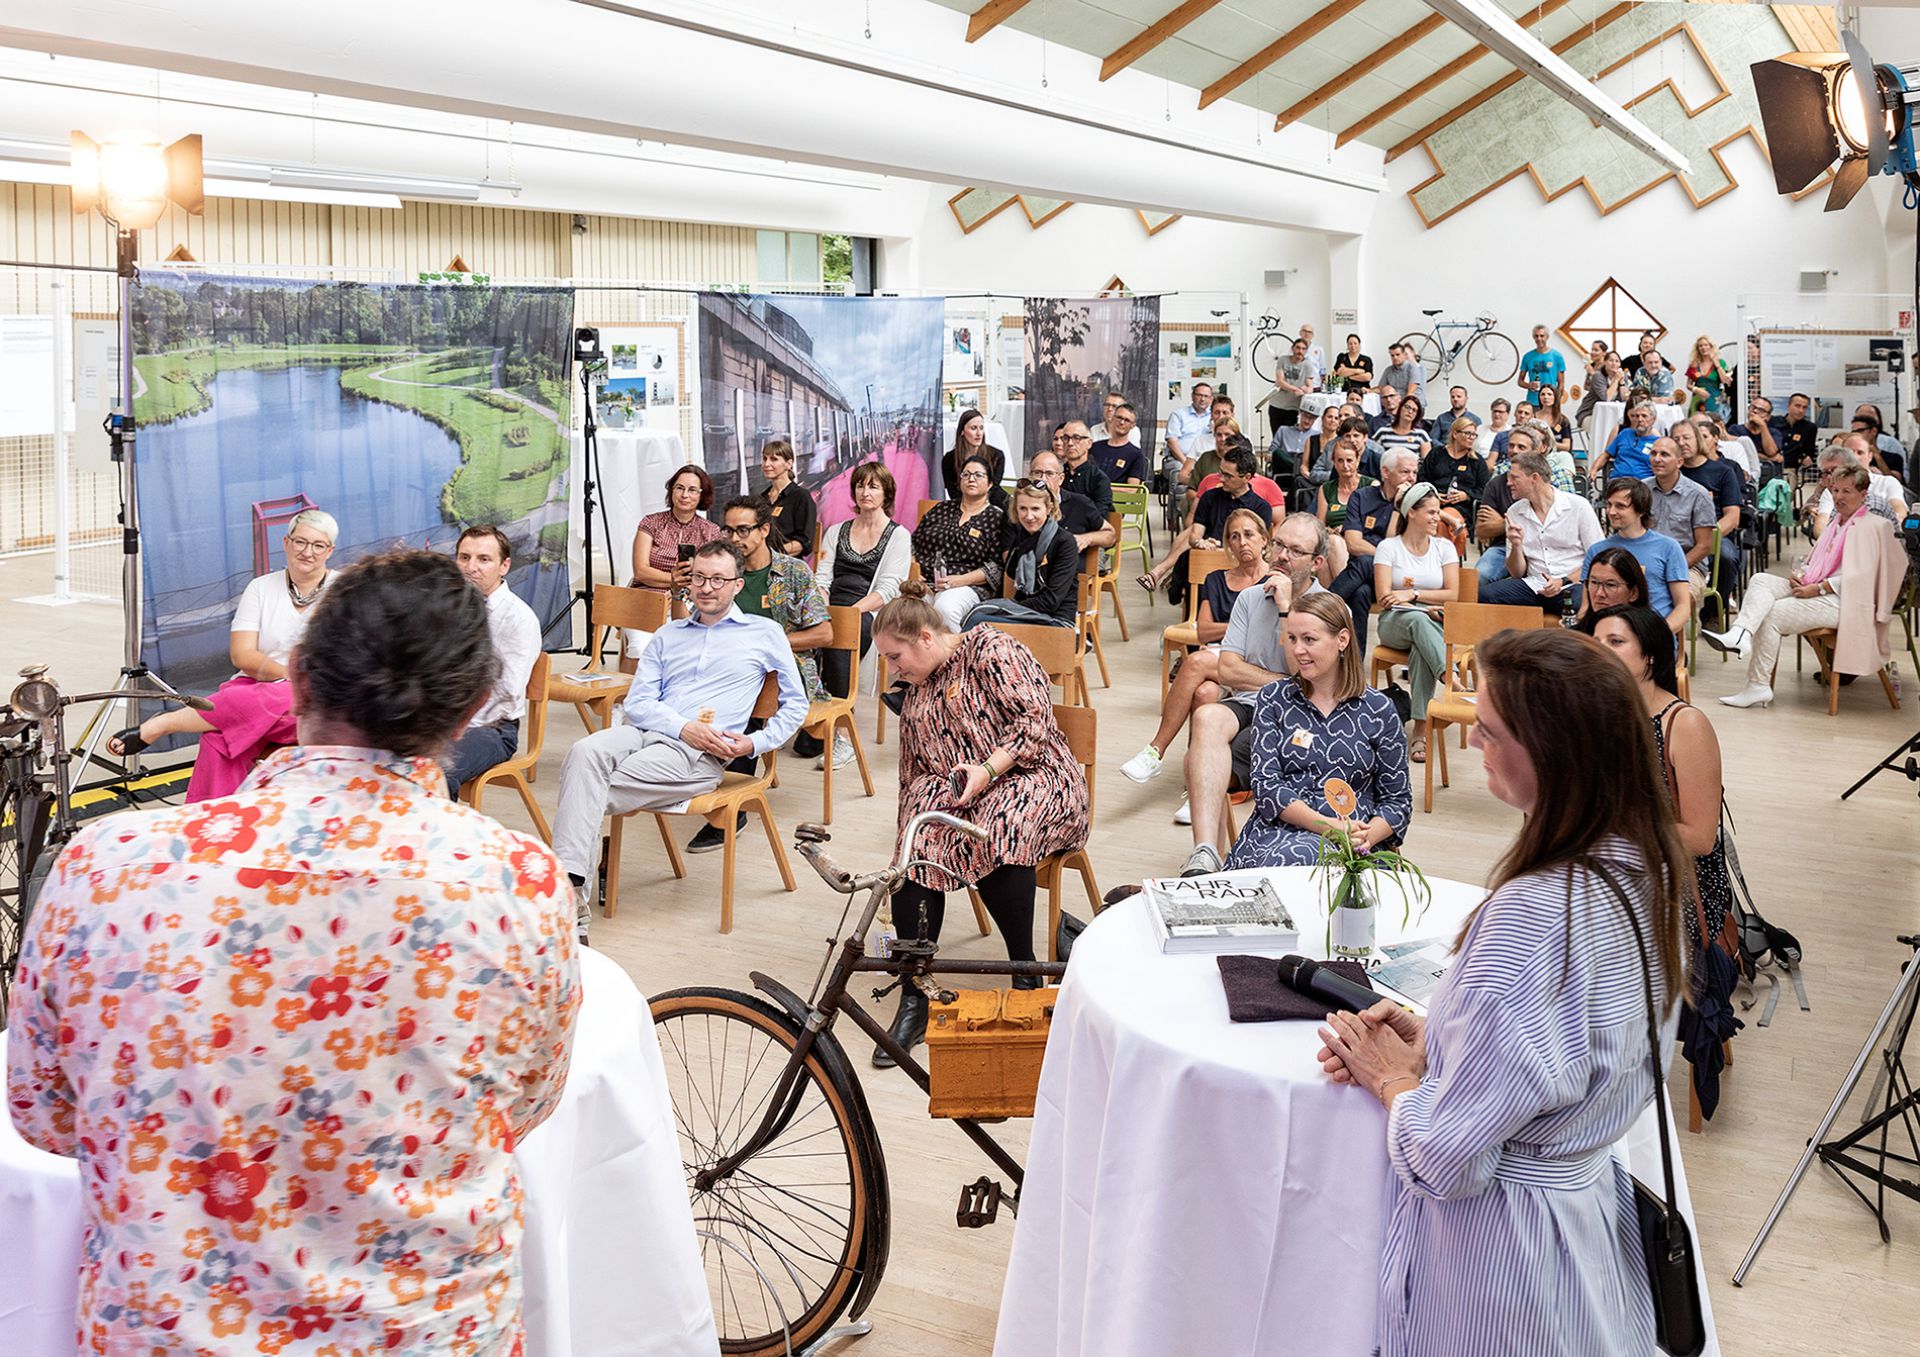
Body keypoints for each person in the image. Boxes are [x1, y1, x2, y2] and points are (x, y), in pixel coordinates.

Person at [11, 549, 581, 1355]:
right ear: (473, 711)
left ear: (299, 679)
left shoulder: (107, 866)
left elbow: (45, 1113)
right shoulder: (520, 884)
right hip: (428, 1333)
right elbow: (524, 1105)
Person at [1316, 626, 1691, 1357]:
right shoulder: (1645, 864)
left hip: (1501, 1256)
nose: (1474, 744)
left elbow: (1448, 1156)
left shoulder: (1535, 912)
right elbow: (1574, 1046)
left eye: (1488, 732)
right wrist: (1447, 1042)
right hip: (1579, 1218)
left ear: (1547, 750)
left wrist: (1395, 1078)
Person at [871, 583, 1090, 1064]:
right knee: (918, 839)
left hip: (1035, 775)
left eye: (895, 656)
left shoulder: (990, 647)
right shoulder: (915, 693)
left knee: (999, 823)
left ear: (926, 638)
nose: (892, 669)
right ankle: (916, 990)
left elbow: (1035, 720)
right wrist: (908, 838)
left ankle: (1024, 967)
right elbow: (912, 778)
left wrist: (988, 770)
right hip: (961, 791)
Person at [553, 539, 808, 935]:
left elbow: (796, 705)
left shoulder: (765, 632)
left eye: (718, 580)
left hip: (698, 756)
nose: (706, 587)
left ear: (737, 585)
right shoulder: (668, 634)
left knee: (581, 789)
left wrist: (754, 744)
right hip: (643, 733)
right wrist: (682, 724)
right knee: (583, 752)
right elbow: (638, 703)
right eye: (699, 578)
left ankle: (567, 907)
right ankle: (570, 907)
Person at [1591, 602, 1740, 1118]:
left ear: (1650, 657)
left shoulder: (1684, 723)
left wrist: (1616, 832)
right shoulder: (1604, 719)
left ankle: (1607, 1070)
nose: (1602, 652)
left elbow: (1699, 838)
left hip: (1680, 879)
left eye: (1616, 643)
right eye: (1598, 642)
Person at [108, 508, 340, 801]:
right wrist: (286, 676)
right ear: (286, 542)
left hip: (315, 699)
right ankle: (206, 829)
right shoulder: (260, 588)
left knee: (265, 704)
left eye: (318, 545)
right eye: (300, 542)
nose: (307, 552)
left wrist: (297, 682)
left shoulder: (343, 591)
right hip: (257, 687)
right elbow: (243, 656)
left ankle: (163, 725)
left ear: (330, 551)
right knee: (218, 740)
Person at [1179, 512, 1329, 877]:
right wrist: (1282, 679)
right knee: (1206, 716)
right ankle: (1204, 854)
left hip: (1302, 717)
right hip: (1250, 704)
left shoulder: (1327, 607)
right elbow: (1229, 669)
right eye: (1279, 544)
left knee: (1196, 763)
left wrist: (1285, 610)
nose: (1281, 555)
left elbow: (1307, 684)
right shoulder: (1248, 598)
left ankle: (1219, 852)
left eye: (1295, 551)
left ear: (1317, 563)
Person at [1226, 592, 1410, 869]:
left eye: (1308, 639)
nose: (1297, 650)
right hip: (1279, 833)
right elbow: (1267, 788)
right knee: (1299, 858)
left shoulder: (1378, 709)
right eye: (1292, 639)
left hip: (1358, 841)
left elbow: (1397, 800)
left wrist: (1366, 836)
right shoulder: (1274, 699)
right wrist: (1332, 828)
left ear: (1342, 640)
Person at [1705, 464, 1905, 707]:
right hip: (1820, 589)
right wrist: (1801, 576)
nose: (1839, 497)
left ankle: (1757, 685)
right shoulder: (1836, 523)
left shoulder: (1874, 525)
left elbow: (1866, 575)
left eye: (1847, 491)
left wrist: (1819, 588)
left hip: (1848, 601)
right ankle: (1740, 633)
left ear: (1864, 495)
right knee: (1760, 580)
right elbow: (1817, 561)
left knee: (1773, 614)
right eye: (1836, 491)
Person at [1120, 508, 1273, 785]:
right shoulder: (1216, 579)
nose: (1242, 542)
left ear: (1264, 539)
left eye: (1249, 535)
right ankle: (1197, 779)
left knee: (1195, 662)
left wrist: (1231, 630)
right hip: (1218, 656)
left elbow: (1270, 635)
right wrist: (1242, 628)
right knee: (1204, 692)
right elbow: (1203, 631)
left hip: (1253, 661)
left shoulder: (1274, 584)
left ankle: (1156, 750)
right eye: (1234, 537)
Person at [814, 461, 910, 770]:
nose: (865, 492)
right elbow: (822, 579)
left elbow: (890, 587)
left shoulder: (898, 535)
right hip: (832, 606)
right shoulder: (836, 531)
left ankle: (842, 732)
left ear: (886, 493)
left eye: (873, 486)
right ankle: (815, 717)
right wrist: (827, 608)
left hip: (873, 610)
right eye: (860, 485)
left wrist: (851, 612)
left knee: (846, 632)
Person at [442, 524, 542, 800]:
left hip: (491, 728)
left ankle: (440, 842)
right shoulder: (444, 608)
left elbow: (506, 692)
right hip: (442, 721)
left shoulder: (519, 620)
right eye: (464, 557)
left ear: (504, 566)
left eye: (483, 559)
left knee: (435, 773)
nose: (470, 567)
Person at [1372, 482, 1461, 765]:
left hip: (1432, 618)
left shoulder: (1444, 547)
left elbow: (1453, 594)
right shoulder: (1388, 548)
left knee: (1421, 647)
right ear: (1412, 513)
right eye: (1432, 512)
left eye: (1438, 512)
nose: (1438, 518)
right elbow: (1384, 596)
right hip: (1395, 621)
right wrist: (1416, 605)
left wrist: (1413, 594)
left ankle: (1420, 731)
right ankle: (1453, 680)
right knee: (1418, 623)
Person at [1137, 441, 1275, 600]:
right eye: (1221, 472)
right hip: (1206, 559)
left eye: (1228, 476)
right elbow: (1195, 534)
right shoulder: (1210, 497)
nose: (1221, 479)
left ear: (1247, 477)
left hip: (1241, 562)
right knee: (1191, 560)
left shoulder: (1261, 507)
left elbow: (1259, 546)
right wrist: (1200, 543)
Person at [1481, 450, 1603, 613]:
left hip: (1572, 583)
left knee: (1580, 604)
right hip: (1535, 584)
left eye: (1514, 477)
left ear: (1534, 478)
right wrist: (1516, 546)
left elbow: (1598, 558)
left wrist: (1563, 580)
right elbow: (1516, 573)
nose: (1508, 483)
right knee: (1484, 595)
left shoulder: (1578, 506)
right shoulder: (1514, 512)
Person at [1329, 445, 1419, 650]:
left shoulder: (1416, 504)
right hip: (1365, 576)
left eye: (1415, 472)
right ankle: (1357, 668)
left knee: (1365, 561)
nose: (1412, 478)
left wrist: (1399, 507)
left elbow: (1396, 549)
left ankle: (1324, 605)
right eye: (1405, 472)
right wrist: (1383, 556)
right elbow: (1352, 543)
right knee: (1360, 592)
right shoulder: (1361, 497)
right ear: (1386, 472)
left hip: (1399, 576)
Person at [963, 478, 1080, 629]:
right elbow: (1010, 574)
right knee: (975, 617)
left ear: (1049, 508)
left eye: (1035, 509)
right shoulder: (1022, 537)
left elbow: (1050, 601)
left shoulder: (1064, 542)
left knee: (978, 623)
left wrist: (1007, 607)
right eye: (1023, 509)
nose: (1029, 516)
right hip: (1024, 614)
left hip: (1056, 622)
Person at [1580, 480, 1692, 636]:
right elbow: (1586, 607)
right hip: (1606, 635)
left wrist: (1658, 635)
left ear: (1640, 510)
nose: (1611, 512)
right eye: (1609, 505)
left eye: (1620, 506)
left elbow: (1683, 606)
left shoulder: (1668, 547)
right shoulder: (1597, 551)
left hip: (1652, 634)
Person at [913, 452, 1007, 630]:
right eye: (966, 474)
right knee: (907, 609)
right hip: (925, 582)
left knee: (945, 608)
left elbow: (997, 567)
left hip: (967, 586)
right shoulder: (941, 509)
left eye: (978, 475)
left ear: (990, 484)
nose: (971, 479)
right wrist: (913, 571)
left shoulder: (997, 517)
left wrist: (959, 580)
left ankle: (955, 657)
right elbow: (912, 542)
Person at [1643, 436, 1718, 612]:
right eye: (1653, 453)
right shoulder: (1641, 490)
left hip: (1687, 566)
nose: (1657, 459)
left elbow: (1704, 546)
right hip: (1646, 563)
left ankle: (1673, 638)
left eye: (1664, 454)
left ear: (1679, 462)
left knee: (1673, 602)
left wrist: (1671, 569)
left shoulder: (1698, 495)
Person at [630, 463, 722, 605]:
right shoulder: (650, 522)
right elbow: (641, 572)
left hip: (691, 600)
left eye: (692, 490)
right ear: (671, 490)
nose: (684, 495)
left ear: (701, 495)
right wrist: (677, 580)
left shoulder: (711, 531)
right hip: (649, 598)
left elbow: (712, 575)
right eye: (679, 488)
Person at [1675, 419, 1743, 591]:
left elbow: (1732, 517)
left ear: (1698, 439)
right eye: (1676, 440)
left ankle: (1713, 612)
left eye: (1686, 438)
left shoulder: (1723, 471)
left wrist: (1706, 538)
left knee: (1727, 557)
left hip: (1715, 533)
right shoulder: (1672, 471)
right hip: (1676, 533)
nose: (1681, 444)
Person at [1419, 415, 1489, 558]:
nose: (1471, 437)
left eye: (1474, 434)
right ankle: (1449, 564)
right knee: (1441, 521)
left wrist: (1466, 495)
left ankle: (1437, 561)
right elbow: (1422, 479)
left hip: (1461, 508)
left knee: (1441, 523)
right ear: (1455, 434)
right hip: (1432, 501)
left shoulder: (1476, 461)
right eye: (1468, 433)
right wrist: (1434, 493)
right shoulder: (1436, 454)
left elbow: (1484, 489)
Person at [1811, 436, 1908, 533]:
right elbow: (1822, 523)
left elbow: (1899, 509)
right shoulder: (1831, 492)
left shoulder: (1876, 498)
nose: (1830, 477)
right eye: (1825, 473)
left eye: (1860, 452)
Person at [758, 438, 818, 558]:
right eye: (765, 458)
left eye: (773, 459)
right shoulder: (761, 499)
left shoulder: (801, 497)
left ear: (788, 464)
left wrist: (771, 555)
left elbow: (805, 542)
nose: (766, 464)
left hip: (787, 564)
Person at [941, 408, 1008, 507]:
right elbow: (953, 492)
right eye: (973, 428)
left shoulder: (996, 456)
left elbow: (993, 488)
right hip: (963, 508)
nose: (979, 433)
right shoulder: (949, 459)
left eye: (981, 428)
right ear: (962, 431)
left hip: (994, 505)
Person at [1317, 438, 1375, 535]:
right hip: (1334, 539)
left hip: (1362, 537)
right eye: (1340, 460)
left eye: (1349, 460)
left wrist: (1349, 529)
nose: (1345, 465)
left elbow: (1374, 521)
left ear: (1357, 460)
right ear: (1334, 462)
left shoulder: (1371, 485)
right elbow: (1320, 526)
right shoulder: (1325, 488)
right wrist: (1332, 531)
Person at [1591, 396, 1658, 481]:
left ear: (1653, 419)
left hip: (1642, 484)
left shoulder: (1657, 442)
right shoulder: (1624, 434)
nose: (1640, 419)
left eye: (1644, 416)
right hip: (1618, 481)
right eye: (1637, 416)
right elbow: (1605, 455)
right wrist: (1593, 470)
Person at [1059, 418, 1115, 514]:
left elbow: (1100, 517)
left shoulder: (1099, 479)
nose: (1070, 443)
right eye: (1066, 438)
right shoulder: (1056, 474)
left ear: (1089, 443)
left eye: (1077, 438)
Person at [1094, 401, 1150, 485]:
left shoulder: (1136, 455)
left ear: (1133, 425)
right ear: (1112, 418)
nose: (1122, 422)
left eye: (1127, 420)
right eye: (1119, 417)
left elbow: (1132, 489)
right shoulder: (1094, 448)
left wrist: (1102, 490)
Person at [1761, 391, 1818, 472]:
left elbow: (1809, 452)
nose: (1801, 410)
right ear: (1788, 406)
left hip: (1790, 470)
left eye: (1804, 407)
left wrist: (1806, 459)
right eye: (1797, 406)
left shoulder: (1809, 428)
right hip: (1769, 466)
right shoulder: (1772, 422)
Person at [1684, 335, 1731, 419]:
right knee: (1696, 424)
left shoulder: (1721, 362)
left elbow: (1725, 381)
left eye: (1706, 345)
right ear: (1697, 349)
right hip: (1698, 399)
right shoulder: (1694, 364)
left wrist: (1717, 365)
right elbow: (1688, 385)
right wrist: (1696, 389)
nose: (1703, 348)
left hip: (1714, 399)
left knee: (1714, 424)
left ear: (1711, 346)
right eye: (1700, 346)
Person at [1518, 323, 1565, 408]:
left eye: (1542, 336)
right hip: (1533, 402)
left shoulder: (1557, 356)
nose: (1539, 339)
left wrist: (1556, 401)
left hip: (1550, 402)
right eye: (1536, 336)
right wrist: (1529, 385)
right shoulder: (1527, 357)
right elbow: (1520, 381)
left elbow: (1561, 383)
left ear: (1547, 337)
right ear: (1533, 337)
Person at [1377, 393, 1432, 461]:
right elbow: (1374, 455)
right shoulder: (1383, 432)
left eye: (1414, 410)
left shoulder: (1421, 435)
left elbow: (1426, 462)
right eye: (1407, 407)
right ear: (1400, 408)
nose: (1410, 411)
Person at [1535, 383, 1574, 454]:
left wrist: (1549, 444)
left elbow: (1567, 446)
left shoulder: (1562, 420)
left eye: (1549, 394)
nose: (1545, 397)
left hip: (1556, 455)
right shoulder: (1533, 417)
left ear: (1555, 397)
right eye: (1542, 394)